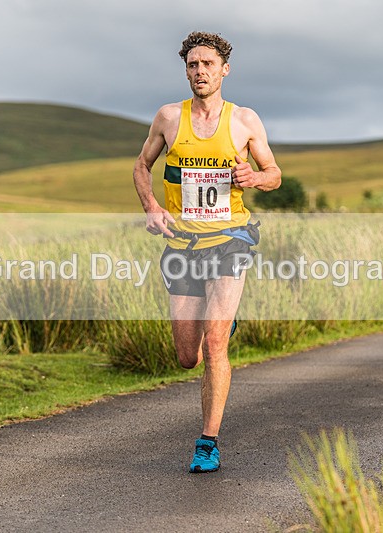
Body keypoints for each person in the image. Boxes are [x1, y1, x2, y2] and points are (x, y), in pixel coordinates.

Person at [133, 31, 281, 473]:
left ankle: (207, 442)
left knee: (215, 345)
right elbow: (142, 166)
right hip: (182, 245)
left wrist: (254, 179)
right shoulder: (167, 118)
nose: (200, 72)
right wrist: (153, 207)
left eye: (208, 65)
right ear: (186, 70)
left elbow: (274, 173)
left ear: (224, 71)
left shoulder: (244, 121)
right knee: (187, 355)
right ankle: (223, 319)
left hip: (230, 241)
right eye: (193, 65)